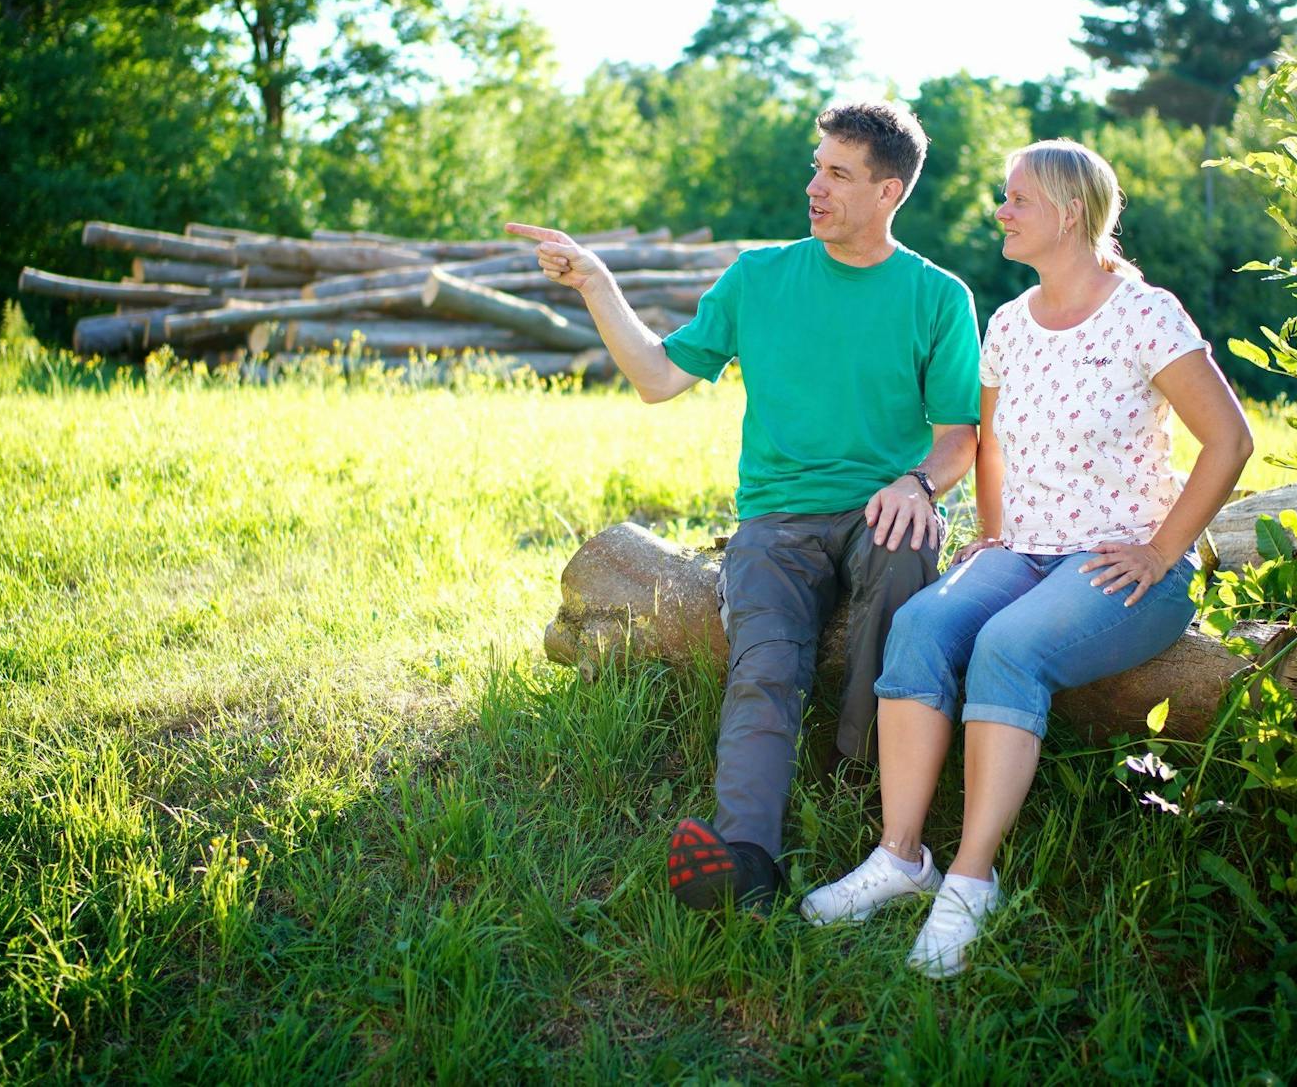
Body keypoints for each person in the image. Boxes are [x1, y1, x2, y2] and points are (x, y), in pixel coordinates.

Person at [506, 102, 982, 914]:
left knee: (905, 557)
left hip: (884, 511)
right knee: (763, 664)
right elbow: (659, 378)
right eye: (816, 165)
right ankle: (745, 860)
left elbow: (958, 437)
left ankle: (863, 786)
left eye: (837, 173)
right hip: (776, 523)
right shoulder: (760, 276)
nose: (814, 186)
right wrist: (596, 282)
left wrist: (919, 484)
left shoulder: (937, 296)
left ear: (888, 191)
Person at [799, 138, 1255, 976]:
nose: (1000, 212)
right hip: (1027, 550)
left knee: (1009, 650)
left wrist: (1164, 549)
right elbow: (991, 444)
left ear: (1070, 211)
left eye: (1017, 199)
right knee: (924, 623)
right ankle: (901, 855)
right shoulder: (1010, 322)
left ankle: (972, 881)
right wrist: (995, 533)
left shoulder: (1146, 313)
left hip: (1124, 565)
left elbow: (1230, 439)